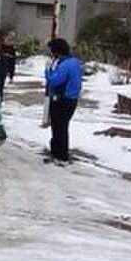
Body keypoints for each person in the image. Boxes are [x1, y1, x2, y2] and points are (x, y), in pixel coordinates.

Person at [44, 37, 82, 165]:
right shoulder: (74, 62)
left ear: (56, 51)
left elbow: (55, 80)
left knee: (59, 127)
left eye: (51, 50)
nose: (50, 53)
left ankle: (60, 155)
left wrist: (47, 70)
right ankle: (58, 153)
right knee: (61, 126)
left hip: (63, 99)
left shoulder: (65, 64)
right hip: (71, 99)